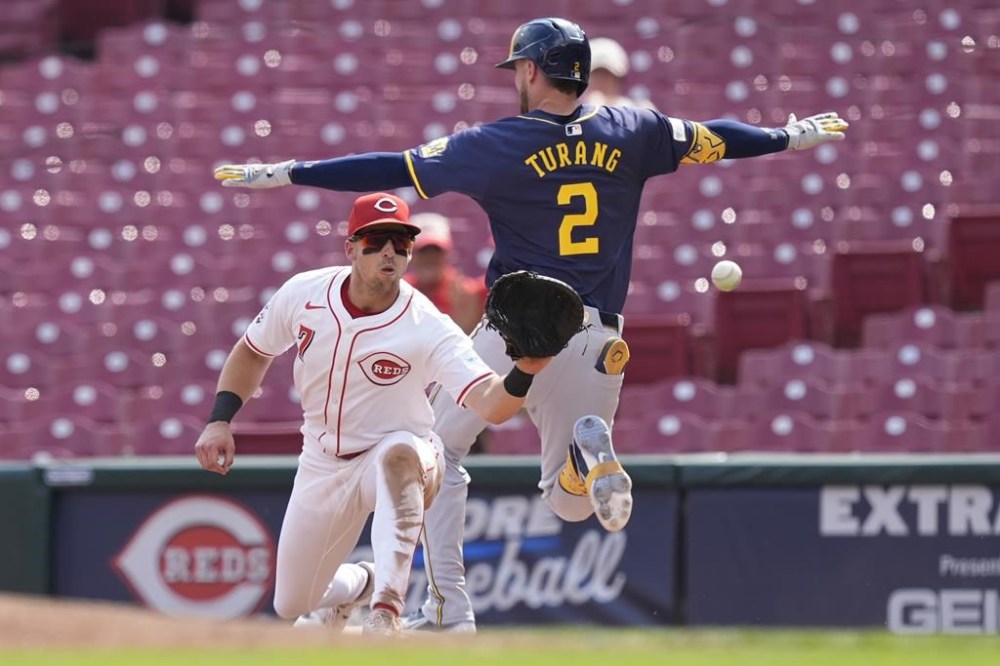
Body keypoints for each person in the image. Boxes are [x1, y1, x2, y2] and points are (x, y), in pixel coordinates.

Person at [212, 16, 849, 632]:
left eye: (520, 64)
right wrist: (786, 136)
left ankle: (443, 609)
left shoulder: (497, 144)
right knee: (569, 501)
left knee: (438, 451)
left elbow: (392, 166)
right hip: (598, 335)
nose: (515, 75)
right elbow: (716, 138)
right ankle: (584, 450)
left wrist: (290, 172)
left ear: (538, 69)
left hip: (508, 328)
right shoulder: (634, 128)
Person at [193, 192, 553, 637]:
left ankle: (386, 609)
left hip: (407, 451)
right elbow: (253, 351)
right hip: (323, 462)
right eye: (376, 240)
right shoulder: (305, 293)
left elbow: (492, 404)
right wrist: (220, 419)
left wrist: (525, 371)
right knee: (292, 602)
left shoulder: (427, 322)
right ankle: (361, 583)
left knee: (397, 455)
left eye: (401, 242)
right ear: (350, 247)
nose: (390, 251)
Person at [404, 212, 487, 335]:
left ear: (449, 254)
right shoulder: (399, 291)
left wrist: (471, 320)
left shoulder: (470, 292)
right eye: (423, 252)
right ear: (409, 254)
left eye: (436, 252)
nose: (430, 259)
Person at [581, 36, 658, 110]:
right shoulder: (572, 112)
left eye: (608, 75)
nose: (601, 80)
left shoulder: (638, 112)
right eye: (596, 74)